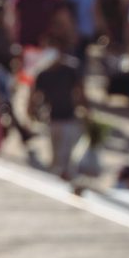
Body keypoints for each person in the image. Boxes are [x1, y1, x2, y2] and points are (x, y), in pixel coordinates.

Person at [30, 46, 87, 181]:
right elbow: (34, 95)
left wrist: (85, 108)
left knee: (66, 152)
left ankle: (64, 176)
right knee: (55, 152)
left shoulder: (69, 71)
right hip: (52, 118)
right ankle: (55, 177)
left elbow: (79, 91)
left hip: (68, 117)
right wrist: (32, 110)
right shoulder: (43, 74)